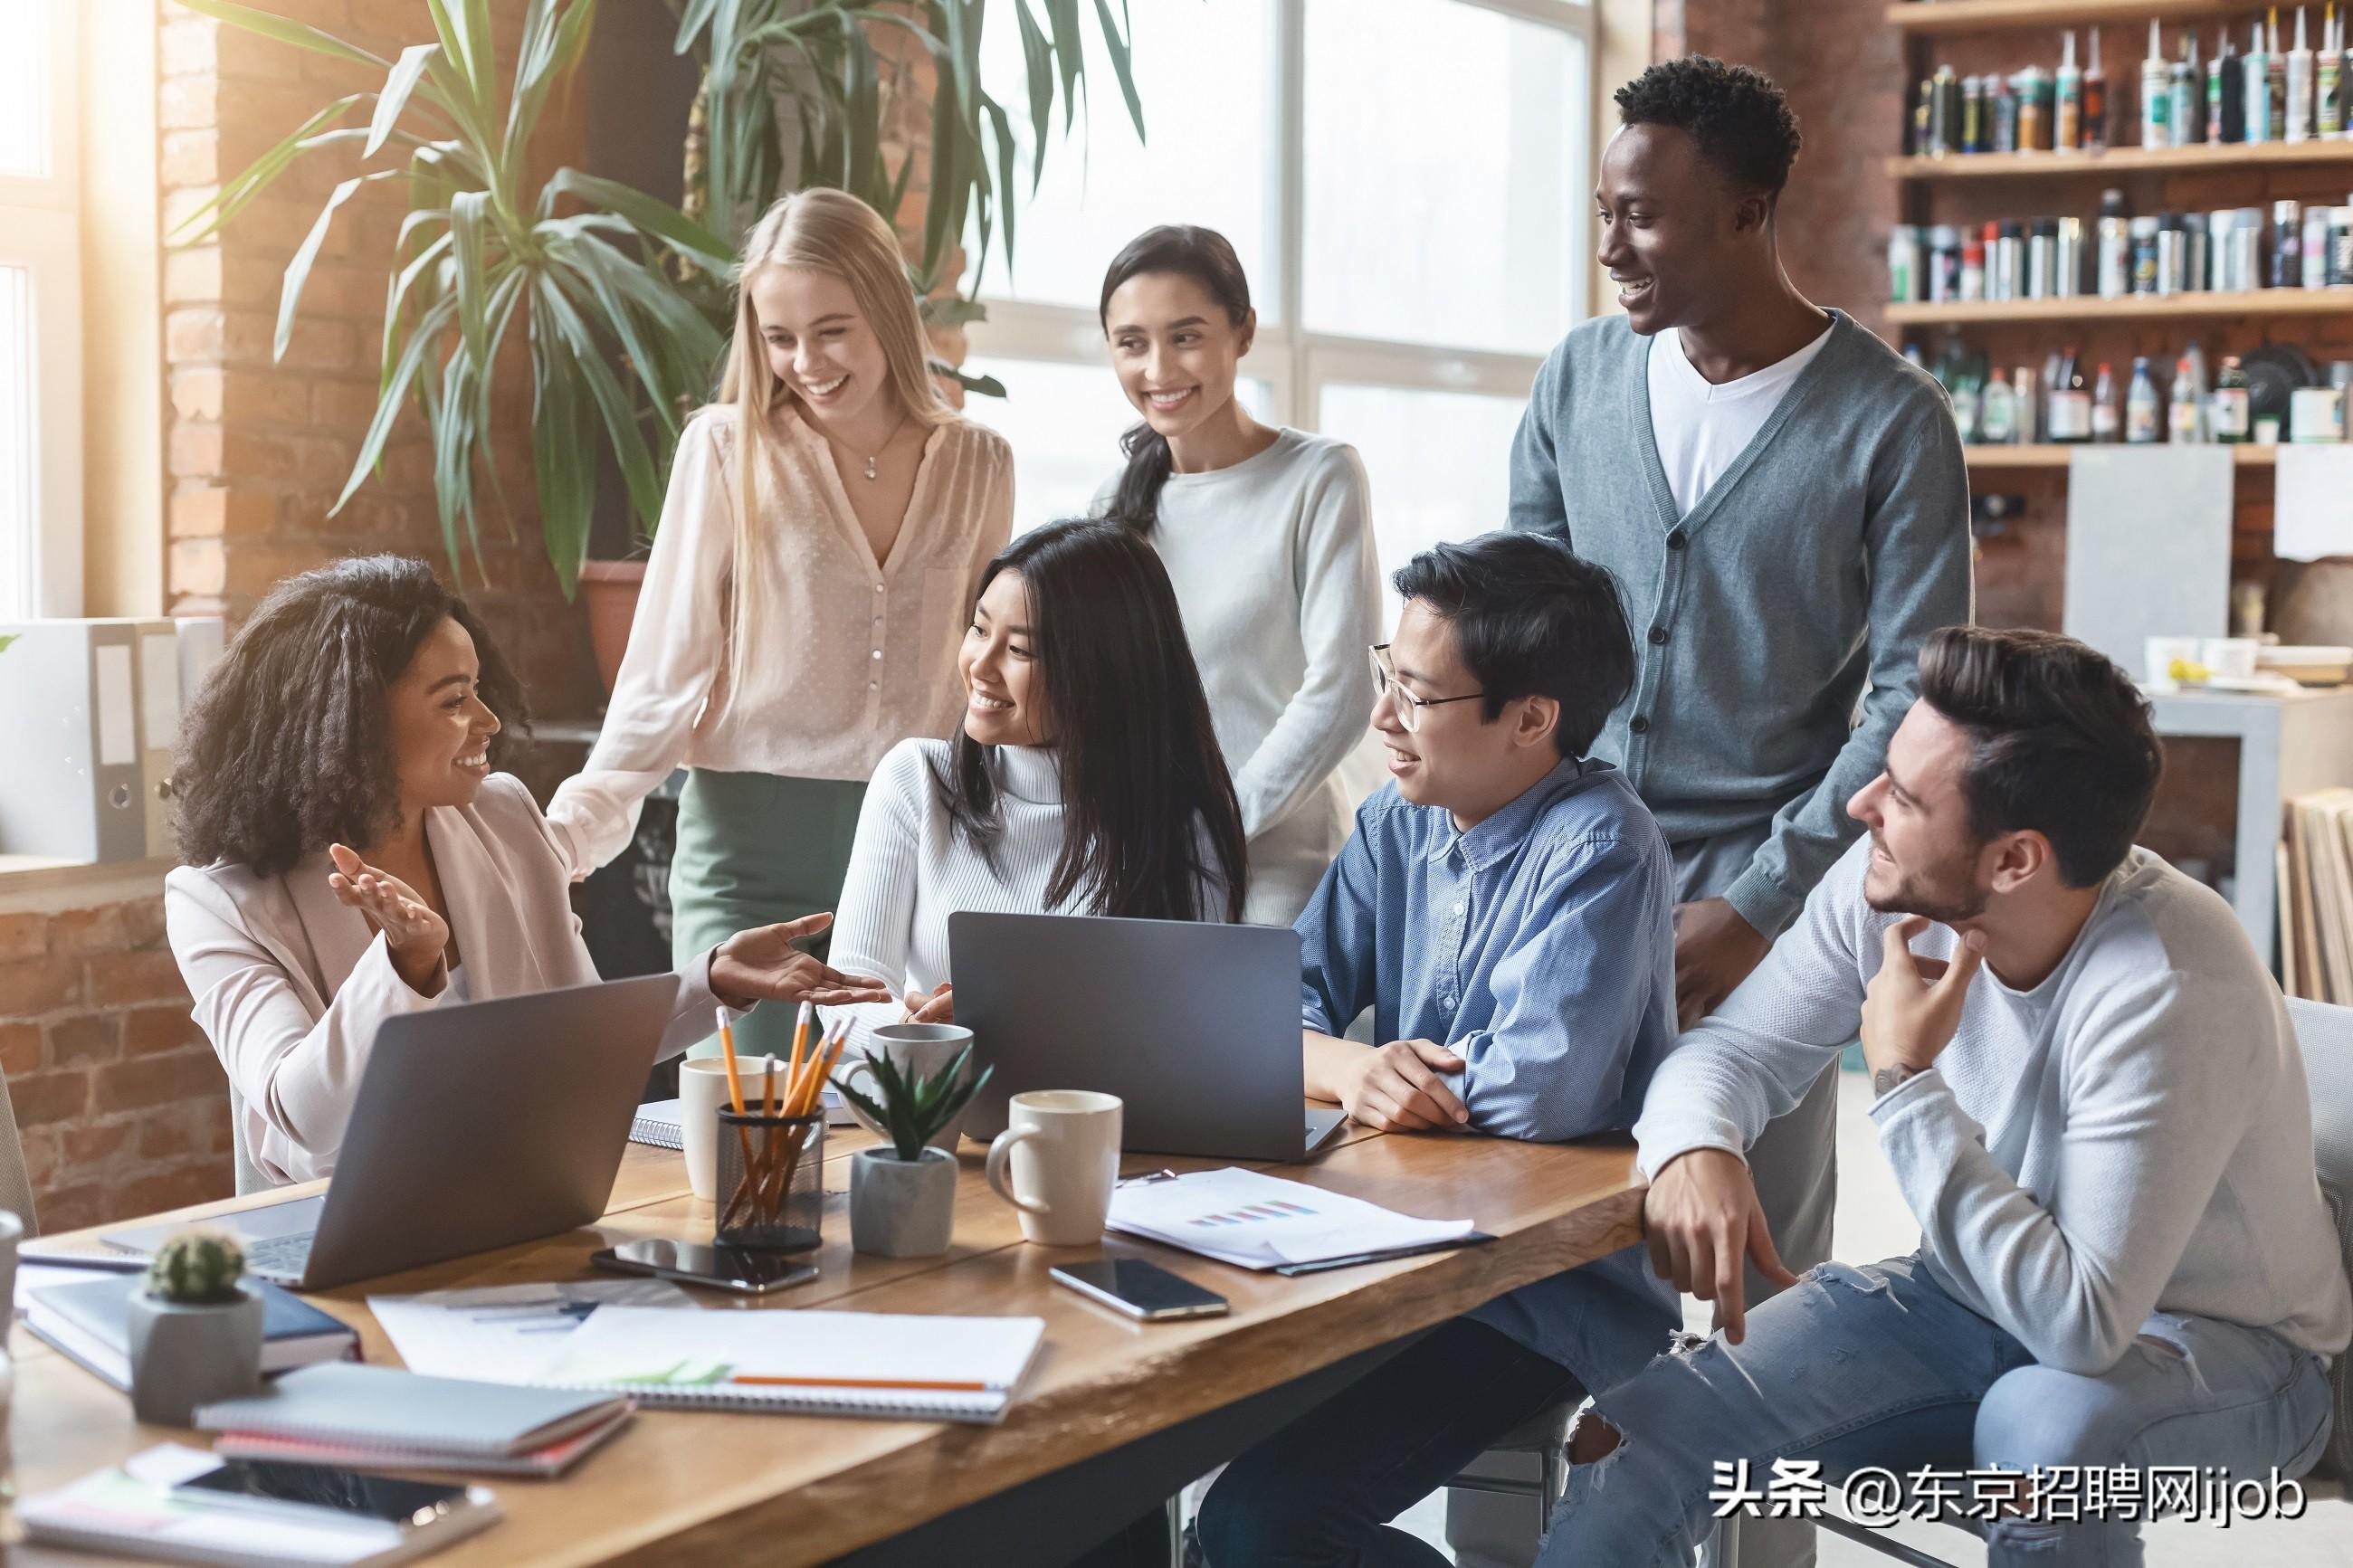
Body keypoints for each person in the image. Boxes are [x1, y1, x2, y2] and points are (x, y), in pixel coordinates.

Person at [1541, 626, 2351, 1567]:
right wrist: (1696, 1148)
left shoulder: (2165, 978)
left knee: (2040, 1436)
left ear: (2013, 859)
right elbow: (1729, 1050)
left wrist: (1904, 1080)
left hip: (2223, 1351)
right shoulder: (1888, 878)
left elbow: (2080, 1326)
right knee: (1636, 1428)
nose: (1859, 804)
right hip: (1964, 1298)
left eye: (1903, 796)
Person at [1504, 64, 1972, 1556]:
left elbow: (1913, 695)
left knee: (1757, 1288)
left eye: (1644, 218)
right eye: (1603, 214)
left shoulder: (1891, 424)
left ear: (1750, 213)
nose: (1614, 246)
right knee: (1545, 1245)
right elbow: (1522, 620)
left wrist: (1766, 896)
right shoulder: (1579, 376)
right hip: (1574, 868)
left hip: (1784, 894)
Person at [1192, 532, 1683, 1567]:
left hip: (1533, 1294)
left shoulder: (1601, 842)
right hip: (1372, 1256)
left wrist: (1338, 1063)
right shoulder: (1391, 823)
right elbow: (1266, 1008)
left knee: (1262, 1526)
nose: (1381, 719)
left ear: (1531, 719)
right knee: (1117, 1468)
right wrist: (1351, 1066)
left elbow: (1538, 1090)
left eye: (1415, 694)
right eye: (1386, 676)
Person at [166, 556, 891, 1185]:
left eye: (478, 687)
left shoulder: (503, 816)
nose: (488, 720)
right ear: (350, 722)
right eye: (453, 700)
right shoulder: (218, 901)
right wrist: (405, 966)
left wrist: (713, 979)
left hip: (531, 1197)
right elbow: (305, 1116)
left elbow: (573, 1038)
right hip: (347, 1225)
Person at [545, 187, 1013, 1062]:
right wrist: (557, 844)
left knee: (888, 1116)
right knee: (750, 1117)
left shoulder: (980, 463)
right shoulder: (725, 449)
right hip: (746, 853)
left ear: (888, 311)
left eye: (833, 329)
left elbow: (986, 675)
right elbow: (660, 678)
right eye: (779, 336)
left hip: (918, 841)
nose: (806, 360)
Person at [824, 517, 1249, 1049]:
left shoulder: (1179, 824)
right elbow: (849, 994)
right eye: (979, 629)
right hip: (931, 1111)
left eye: (1020, 650)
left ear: (1102, 671)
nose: (980, 664)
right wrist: (922, 1043)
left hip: (1095, 1123)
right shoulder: (917, 779)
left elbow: (1187, 1030)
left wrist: (1019, 1029)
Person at [1094, 225, 1379, 927]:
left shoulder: (1320, 476)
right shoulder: (1111, 505)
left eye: (1185, 336)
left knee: (1256, 1038)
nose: (1159, 368)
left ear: (1243, 332)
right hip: (1140, 853)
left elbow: (1344, 688)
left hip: (1278, 858)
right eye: (1132, 343)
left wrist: (1217, 825)